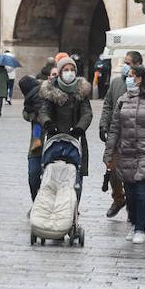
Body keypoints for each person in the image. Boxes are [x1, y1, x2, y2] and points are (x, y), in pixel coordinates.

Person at [103, 64, 145, 245]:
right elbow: (115, 128)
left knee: (142, 192)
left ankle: (141, 228)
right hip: (127, 153)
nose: (128, 79)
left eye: (132, 76)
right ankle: (133, 222)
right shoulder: (122, 100)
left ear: (140, 78)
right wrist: (109, 153)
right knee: (130, 193)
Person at [37, 55, 93, 202]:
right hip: (55, 138)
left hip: (76, 138)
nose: (69, 73)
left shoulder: (81, 91)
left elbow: (87, 112)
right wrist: (48, 123)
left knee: (76, 176)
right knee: (53, 174)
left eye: (72, 70)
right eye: (66, 70)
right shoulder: (51, 91)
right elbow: (44, 111)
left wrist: (80, 127)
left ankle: (74, 207)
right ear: (60, 72)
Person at [100, 50, 143, 218]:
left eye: (128, 63)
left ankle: (132, 208)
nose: (125, 66)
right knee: (111, 168)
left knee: (132, 174)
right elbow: (107, 105)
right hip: (116, 135)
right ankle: (118, 198)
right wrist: (103, 125)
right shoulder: (116, 82)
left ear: (138, 65)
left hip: (135, 137)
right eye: (124, 63)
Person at [19, 75, 46, 200]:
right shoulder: (33, 96)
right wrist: (32, 114)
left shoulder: (49, 93)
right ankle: (36, 203)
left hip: (52, 141)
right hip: (36, 146)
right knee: (33, 176)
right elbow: (25, 113)